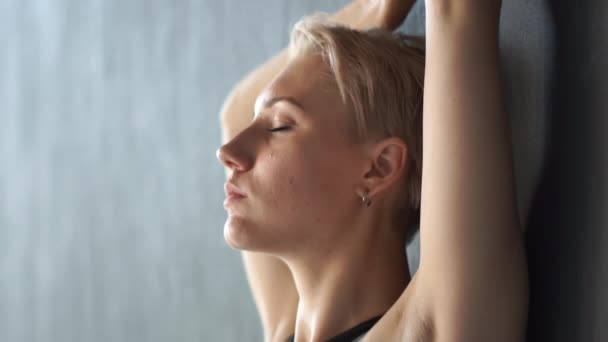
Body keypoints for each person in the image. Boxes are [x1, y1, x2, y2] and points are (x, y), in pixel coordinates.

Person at [216, 0, 528, 341]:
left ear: (379, 167)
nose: (228, 153)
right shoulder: (283, 332)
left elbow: (457, 12)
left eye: (279, 126)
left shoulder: (430, 327)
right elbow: (236, 113)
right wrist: (375, 10)